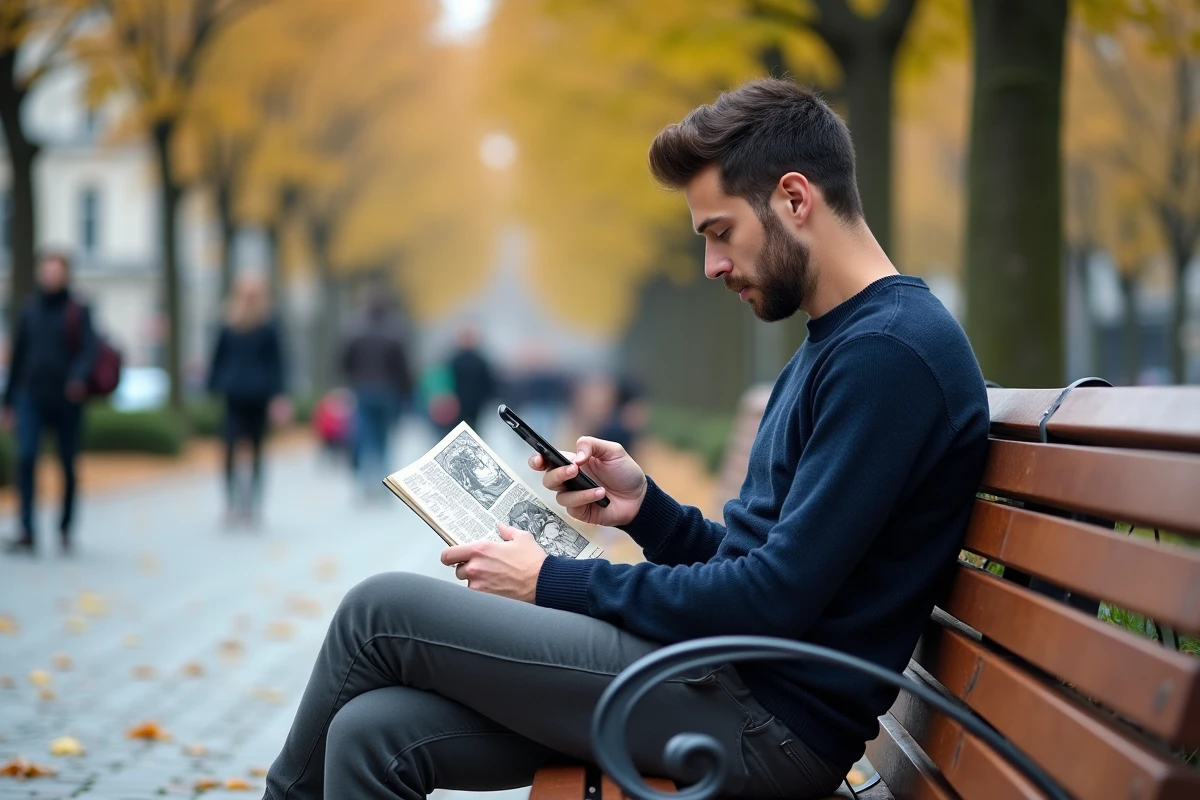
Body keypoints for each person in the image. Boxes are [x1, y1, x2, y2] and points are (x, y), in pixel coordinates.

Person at [263, 79, 990, 800]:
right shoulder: (845, 345)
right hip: (724, 683)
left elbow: (772, 600)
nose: (712, 267)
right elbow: (764, 571)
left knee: (378, 612)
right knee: (374, 733)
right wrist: (646, 512)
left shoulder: (889, 355)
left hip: (762, 723)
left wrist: (551, 582)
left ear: (796, 199)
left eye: (719, 233)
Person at [2, 252, 97, 555]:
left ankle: (65, 527)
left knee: (67, 464)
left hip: (67, 399)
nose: (50, 276)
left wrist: (78, 378)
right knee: (27, 457)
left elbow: (89, 350)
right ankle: (27, 529)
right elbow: (18, 356)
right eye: (46, 270)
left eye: (56, 271)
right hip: (30, 395)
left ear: (65, 274)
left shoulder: (77, 310)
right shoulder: (30, 309)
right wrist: (8, 401)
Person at [207, 273, 288, 527]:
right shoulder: (228, 324)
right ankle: (232, 502)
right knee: (230, 449)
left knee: (257, 450)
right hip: (233, 396)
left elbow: (277, 363)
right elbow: (217, 357)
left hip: (259, 396)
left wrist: (278, 395)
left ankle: (252, 504)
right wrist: (213, 386)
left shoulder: (268, 325)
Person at [341, 295, 412, 494]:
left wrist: (352, 380)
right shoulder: (394, 332)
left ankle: (365, 481)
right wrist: (406, 393)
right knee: (384, 438)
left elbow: (345, 362)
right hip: (388, 392)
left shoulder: (355, 331)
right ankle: (384, 481)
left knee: (365, 436)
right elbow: (403, 367)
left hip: (363, 389)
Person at [447, 326, 496, 431]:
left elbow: (488, 382)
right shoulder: (454, 360)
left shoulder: (479, 360)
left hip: (476, 403)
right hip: (459, 403)